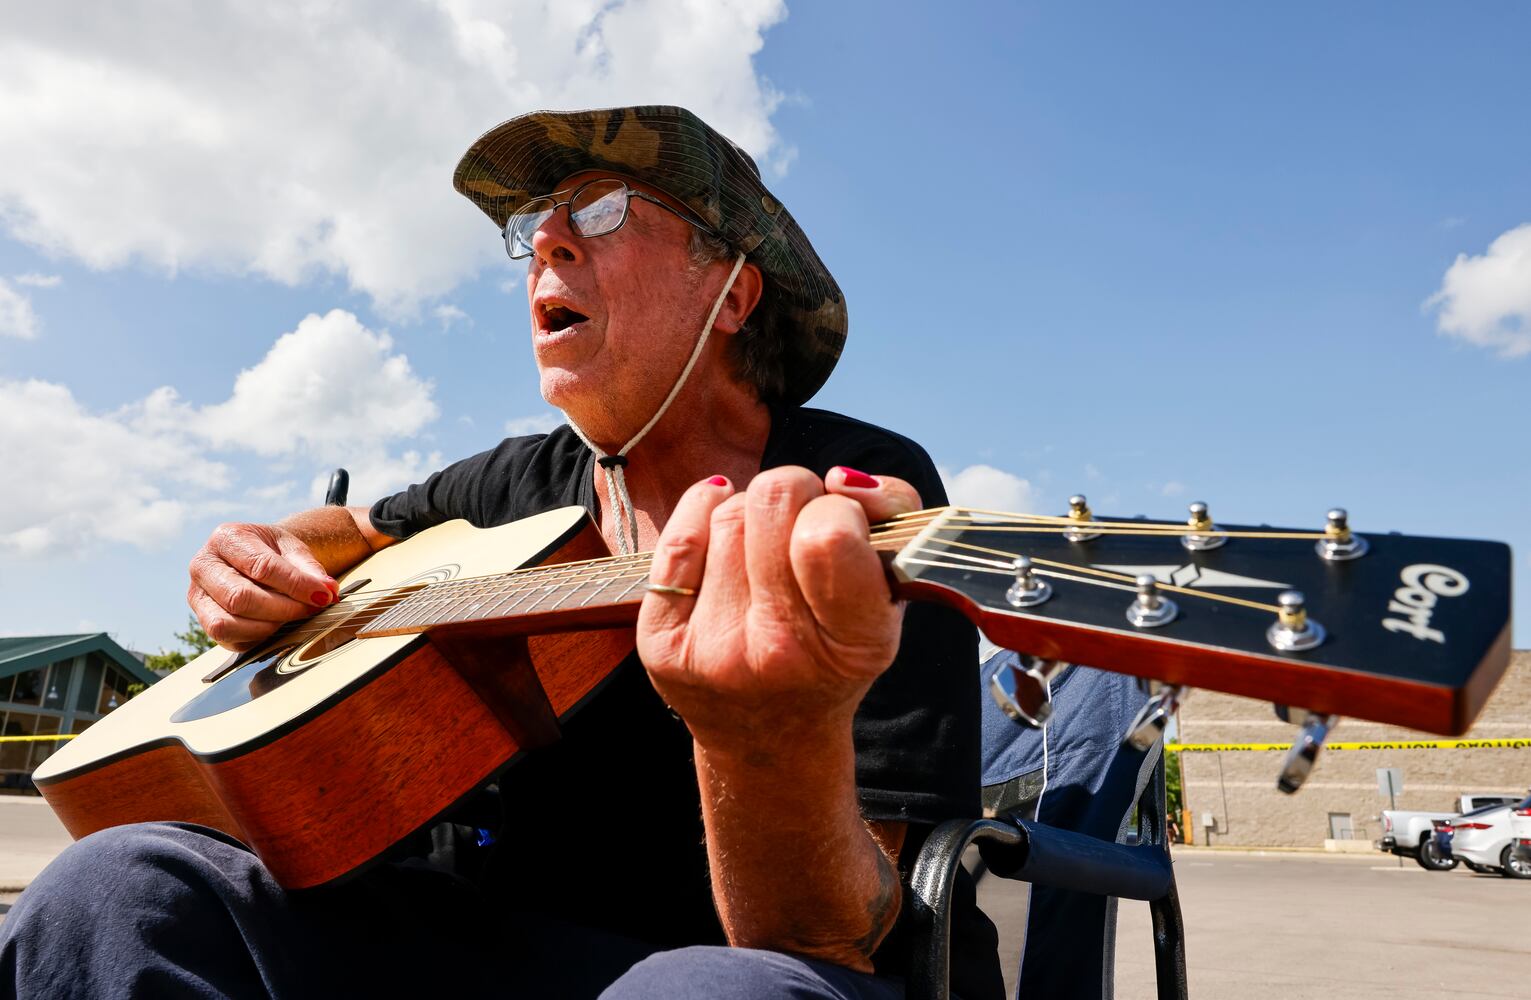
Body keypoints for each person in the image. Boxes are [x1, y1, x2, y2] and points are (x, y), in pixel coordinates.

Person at [1, 106, 1002, 999]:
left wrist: (764, 738)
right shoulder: (510, 488)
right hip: (493, 942)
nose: (546, 242)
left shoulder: (851, 492)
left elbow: (838, 932)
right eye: (534, 225)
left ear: (733, 296)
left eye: (602, 209)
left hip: (759, 964)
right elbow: (359, 532)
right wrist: (267, 550)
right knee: (118, 889)